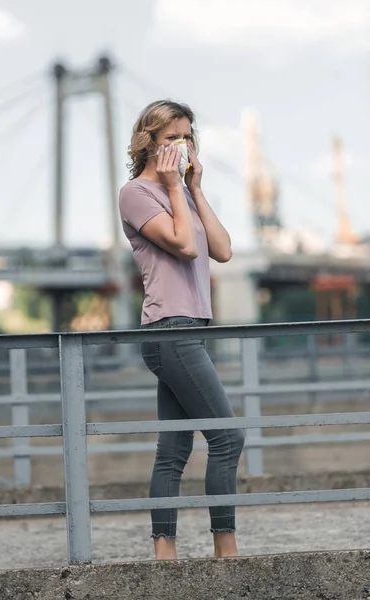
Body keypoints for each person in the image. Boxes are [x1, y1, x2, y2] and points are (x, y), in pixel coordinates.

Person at [119, 100, 245, 560]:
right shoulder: (136, 193)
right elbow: (185, 247)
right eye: (171, 136)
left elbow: (223, 251)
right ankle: (225, 550)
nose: (182, 144)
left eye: (187, 135)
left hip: (190, 328)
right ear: (148, 143)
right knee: (227, 436)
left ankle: (164, 554)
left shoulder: (181, 191)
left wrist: (193, 188)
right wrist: (174, 186)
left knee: (173, 448)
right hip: (168, 329)